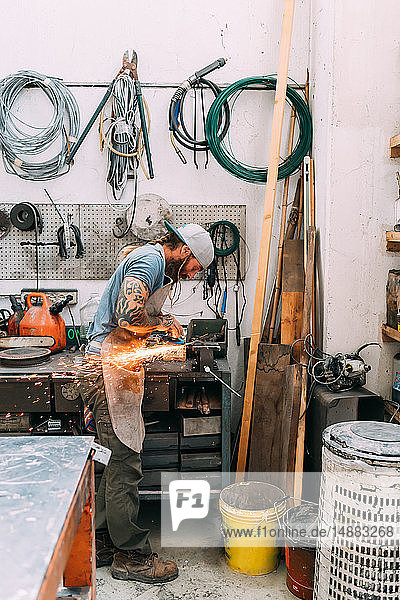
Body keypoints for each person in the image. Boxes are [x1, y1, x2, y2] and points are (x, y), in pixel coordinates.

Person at [78, 221, 214, 584]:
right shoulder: (151, 261)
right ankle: (131, 556)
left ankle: (105, 541)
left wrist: (161, 320)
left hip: (114, 365)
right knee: (125, 462)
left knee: (112, 460)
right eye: (194, 268)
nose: (191, 275)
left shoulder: (153, 262)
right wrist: (160, 331)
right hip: (109, 367)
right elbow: (126, 315)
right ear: (184, 250)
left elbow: (137, 313)